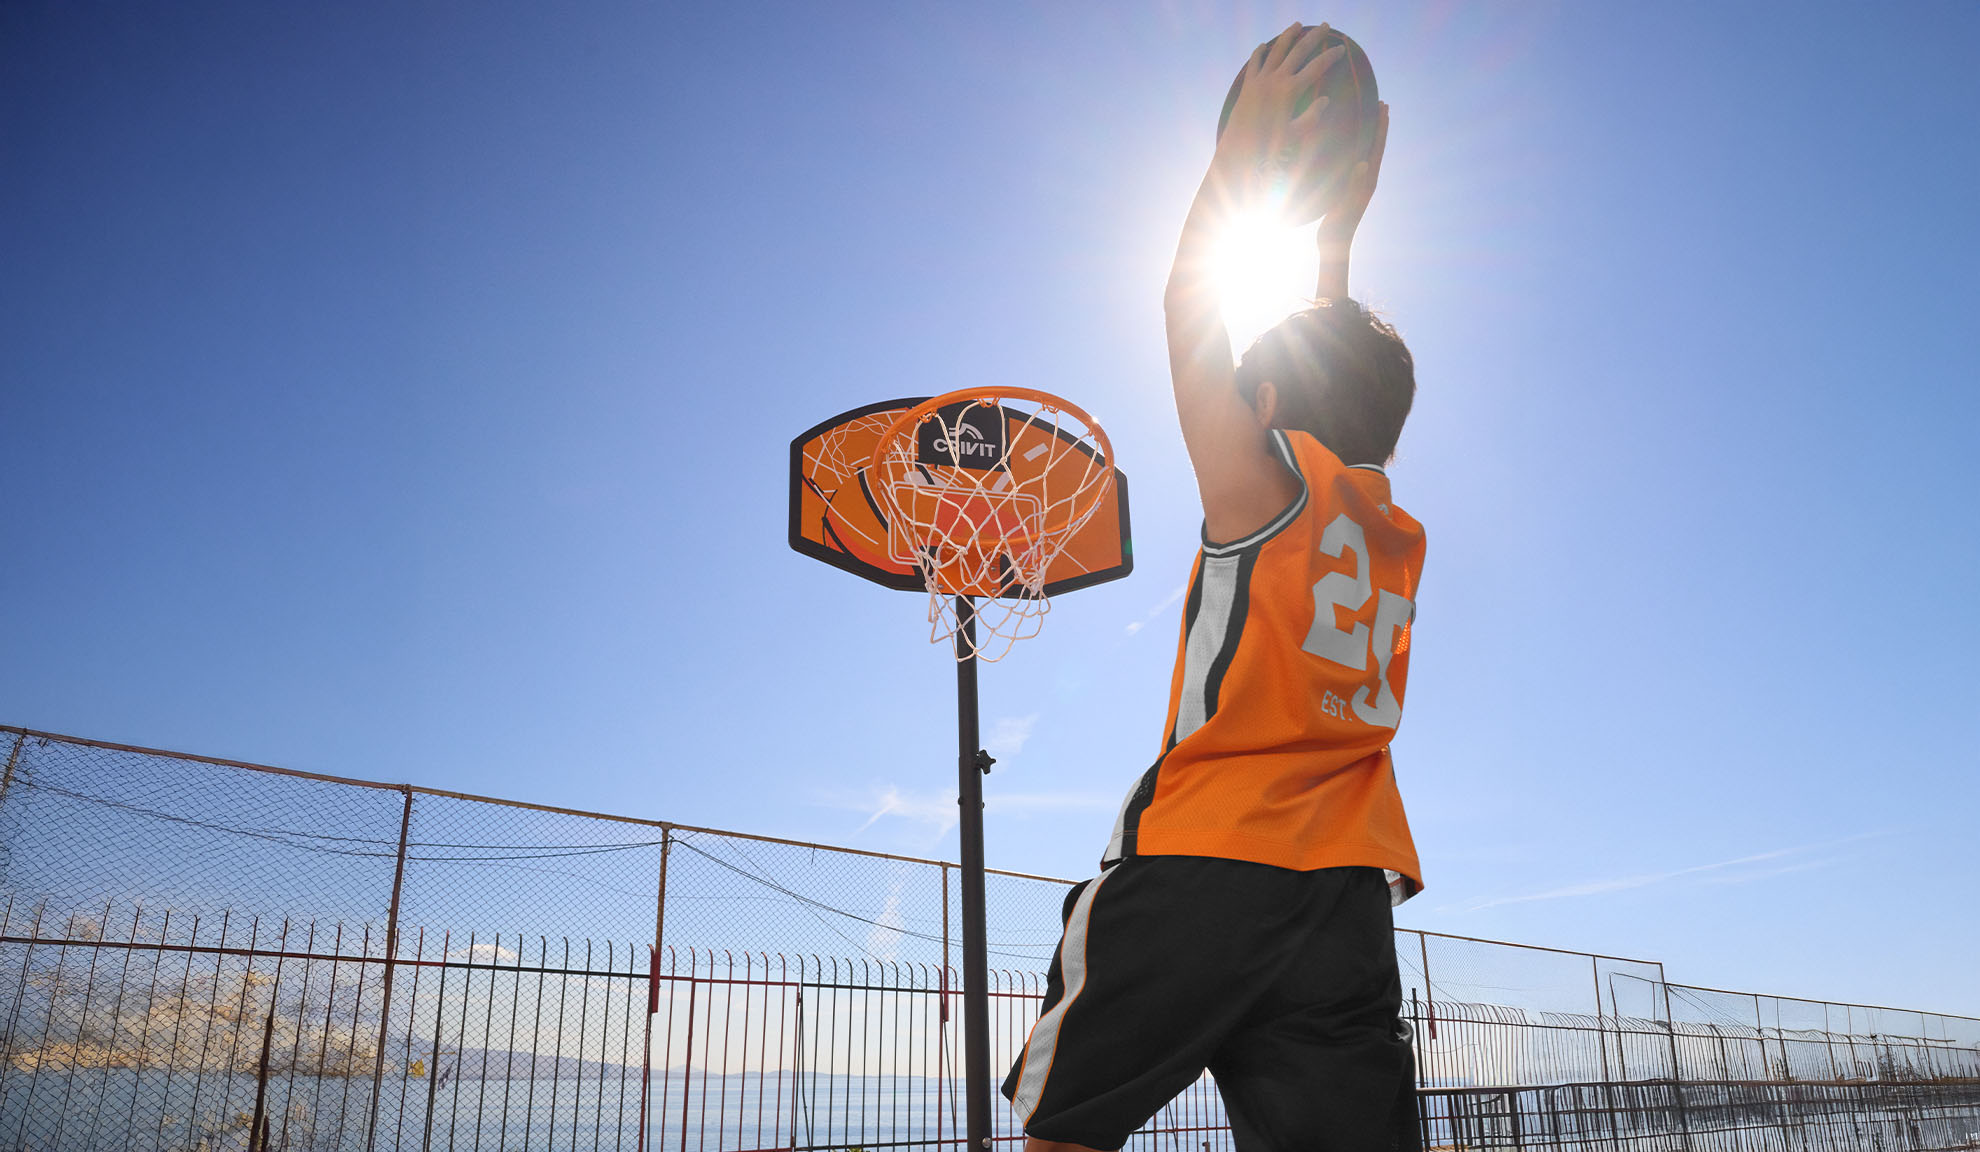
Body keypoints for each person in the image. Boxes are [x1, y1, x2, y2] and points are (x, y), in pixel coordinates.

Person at [1000, 24, 1425, 1152]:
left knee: (1063, 1133)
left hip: (1209, 867)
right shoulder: (1384, 522)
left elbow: (1188, 309)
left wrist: (1233, 165)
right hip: (1343, 895)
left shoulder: (1262, 493)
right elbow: (1345, 379)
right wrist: (1335, 236)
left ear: (1270, 400)